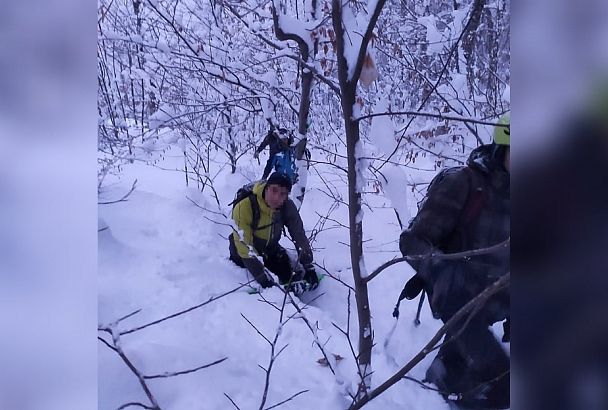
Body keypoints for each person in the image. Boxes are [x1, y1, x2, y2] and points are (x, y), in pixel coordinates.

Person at [399, 114, 510, 409]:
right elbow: (412, 241)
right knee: (502, 383)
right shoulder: (464, 183)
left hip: (501, 294)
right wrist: (442, 271)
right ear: (501, 150)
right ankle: (435, 391)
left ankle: (447, 370)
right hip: (457, 292)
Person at [229, 172, 319, 293]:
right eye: (274, 190)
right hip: (243, 254)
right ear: (266, 188)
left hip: (269, 249)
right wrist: (264, 280)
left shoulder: (287, 206)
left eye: (283, 194)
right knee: (261, 281)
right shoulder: (245, 206)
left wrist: (308, 266)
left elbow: (298, 234)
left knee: (288, 276)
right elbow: (244, 248)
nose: (277, 197)